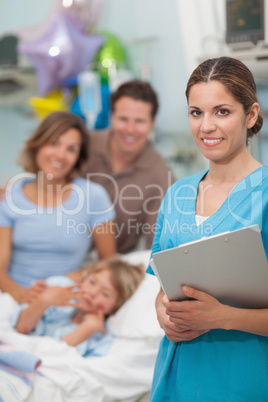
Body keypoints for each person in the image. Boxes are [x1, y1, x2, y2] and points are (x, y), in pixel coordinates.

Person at [147, 57, 268, 401]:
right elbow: (164, 286)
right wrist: (162, 314)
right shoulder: (177, 194)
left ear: (251, 114)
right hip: (177, 377)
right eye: (196, 112)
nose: (206, 126)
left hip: (244, 379)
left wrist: (221, 317)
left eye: (222, 112)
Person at [0, 111, 116, 305]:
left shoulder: (94, 197)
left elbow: (108, 262)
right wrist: (23, 297)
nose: (60, 155)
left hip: (67, 301)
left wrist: (81, 275)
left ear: (78, 157)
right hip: (14, 300)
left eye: (71, 149)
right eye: (54, 143)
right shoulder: (8, 197)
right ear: (38, 144)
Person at [85, 80, 174, 254]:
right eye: (123, 119)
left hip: (112, 268)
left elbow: (156, 249)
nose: (130, 129)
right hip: (59, 257)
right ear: (111, 117)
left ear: (152, 123)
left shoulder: (162, 177)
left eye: (139, 121)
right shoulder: (82, 146)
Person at [11, 257, 145, 357]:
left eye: (105, 293)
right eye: (92, 282)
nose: (92, 293)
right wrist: (44, 300)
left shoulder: (100, 338)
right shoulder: (58, 291)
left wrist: (87, 329)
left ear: (117, 305)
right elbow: (21, 327)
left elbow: (50, 357)